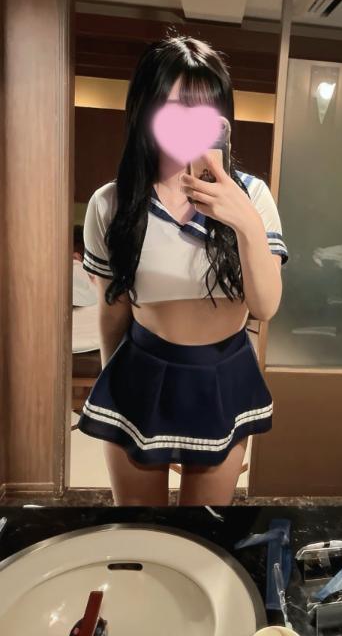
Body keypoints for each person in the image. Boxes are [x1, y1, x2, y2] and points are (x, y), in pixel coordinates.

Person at [76, 35, 288, 506]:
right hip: (140, 373)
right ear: (145, 110)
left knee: (203, 531)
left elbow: (265, 306)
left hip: (223, 376)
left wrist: (243, 220)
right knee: (139, 529)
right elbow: (114, 312)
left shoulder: (252, 197)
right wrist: (112, 390)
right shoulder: (111, 204)